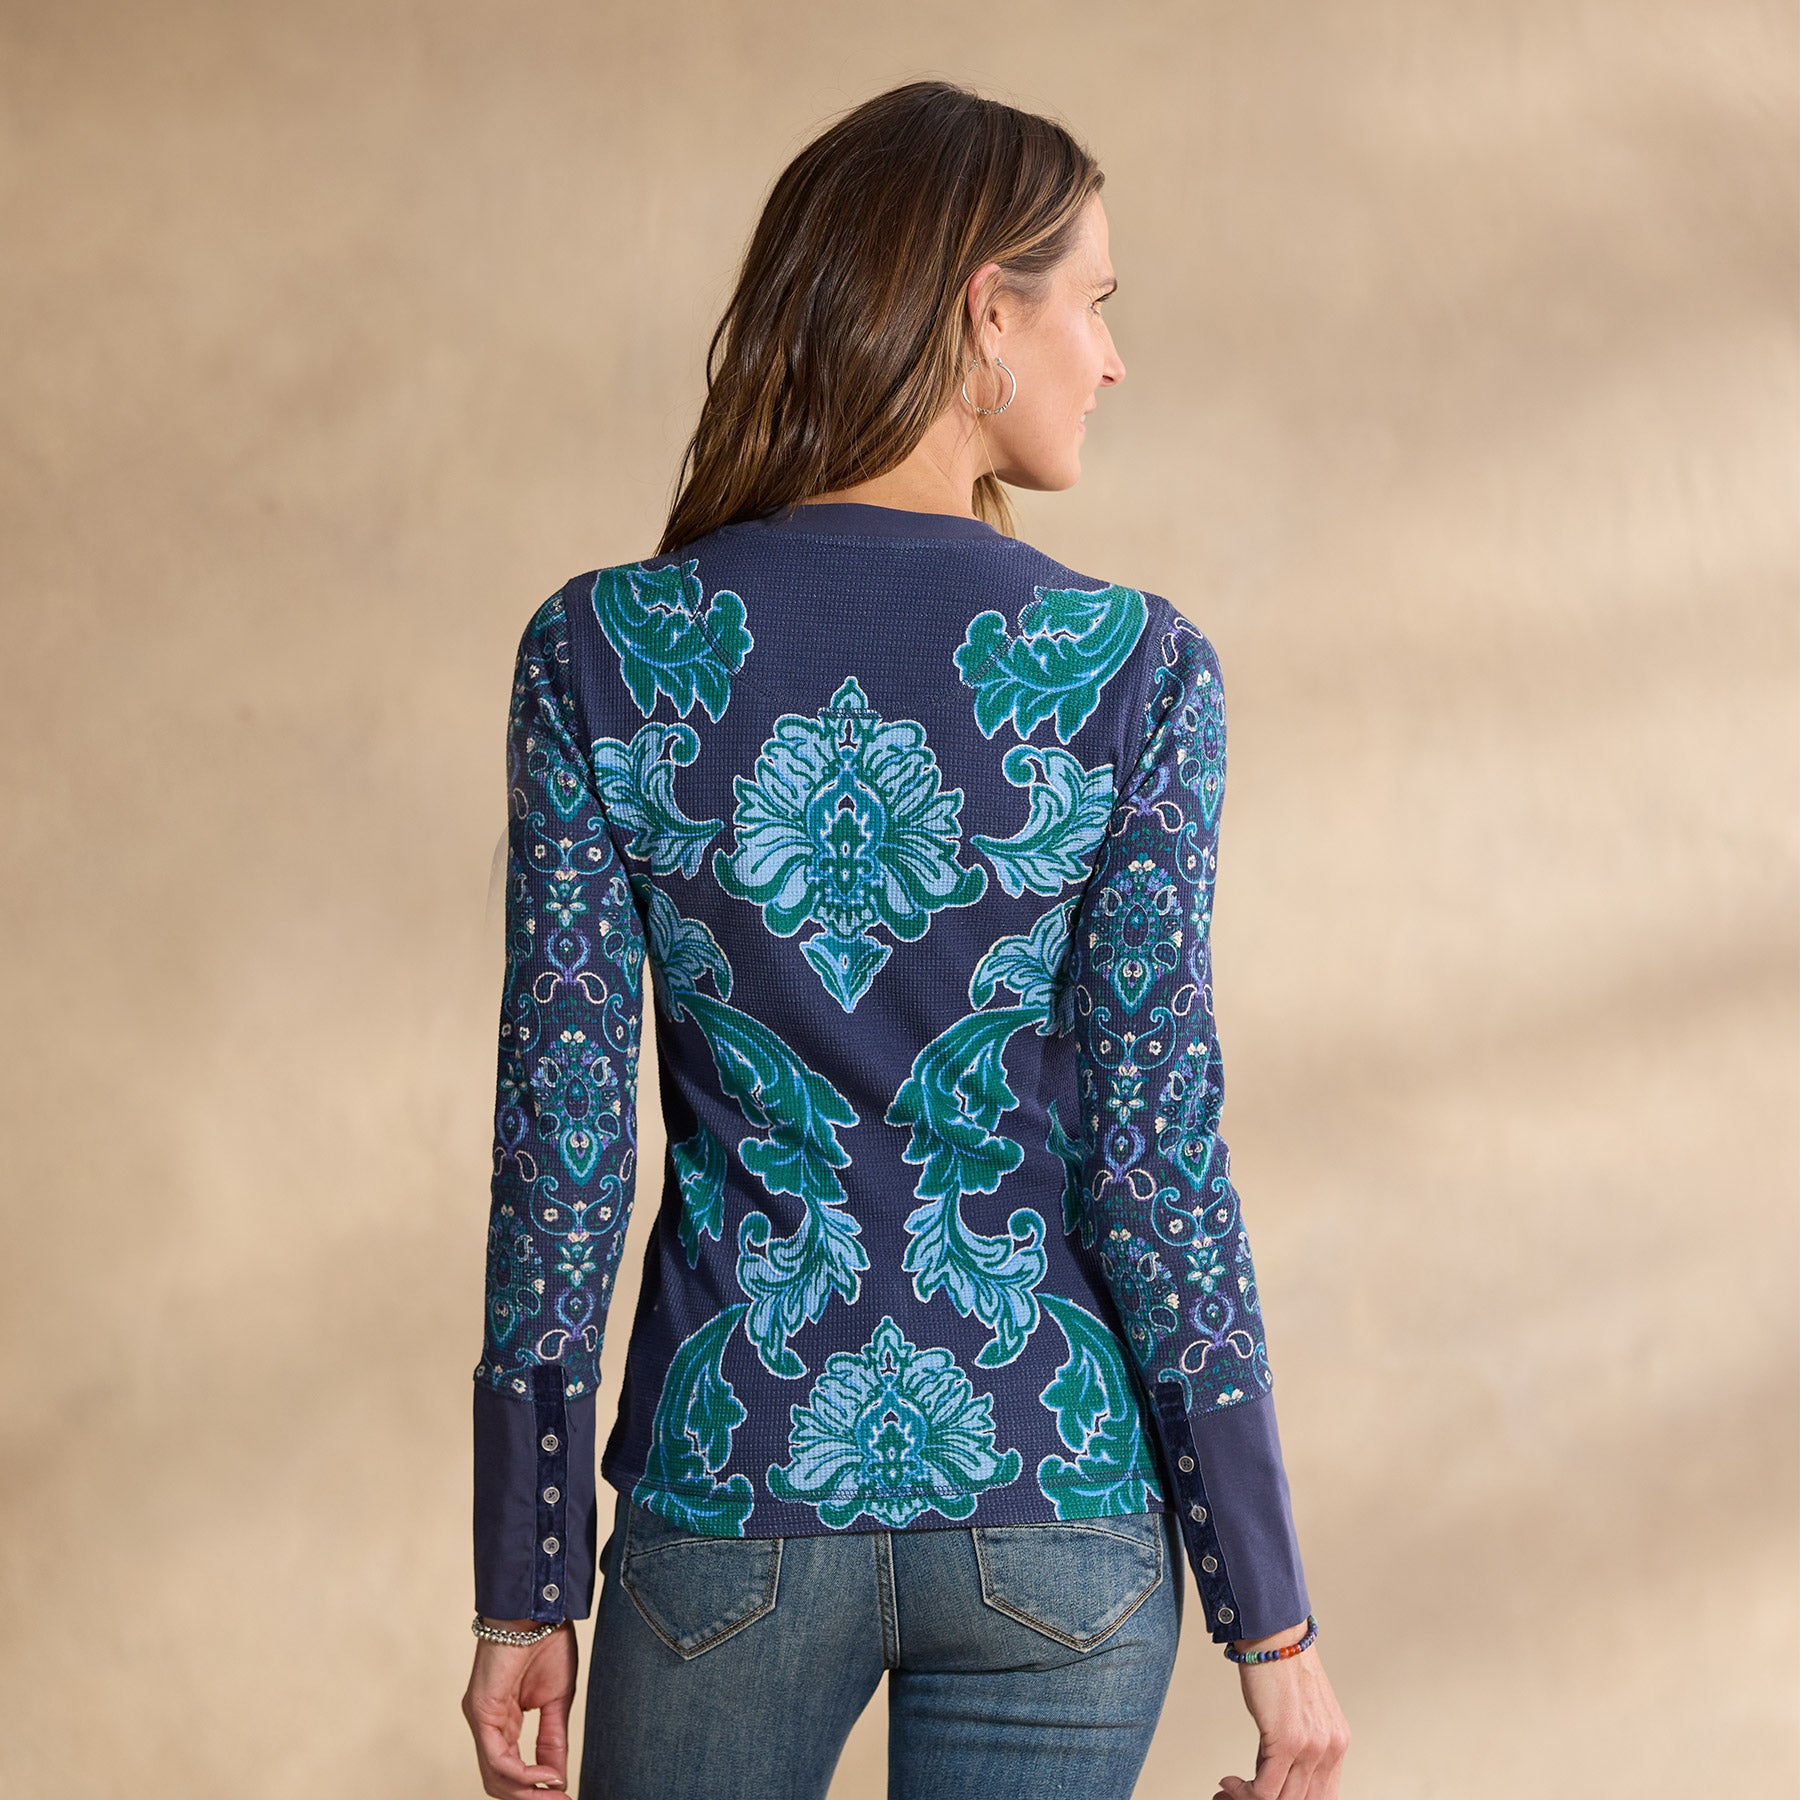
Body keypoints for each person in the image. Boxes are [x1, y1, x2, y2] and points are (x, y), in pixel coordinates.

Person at [460, 77, 1349, 1800]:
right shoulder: (1136, 672)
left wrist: (526, 1570)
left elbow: (561, 1149)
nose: (1112, 359)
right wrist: (1273, 1617)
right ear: (983, 313)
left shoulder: (601, 652)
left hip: (736, 1481)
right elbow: (1155, 1160)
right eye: (1093, 303)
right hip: (1055, 1496)